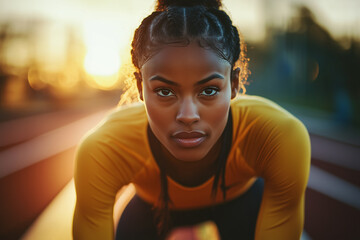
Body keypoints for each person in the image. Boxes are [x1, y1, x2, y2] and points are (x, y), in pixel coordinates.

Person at [72, 0, 311, 239]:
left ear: (234, 84)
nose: (187, 116)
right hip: (151, 212)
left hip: (243, 205)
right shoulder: (104, 148)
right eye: (165, 91)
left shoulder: (278, 136)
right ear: (140, 87)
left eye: (208, 90)